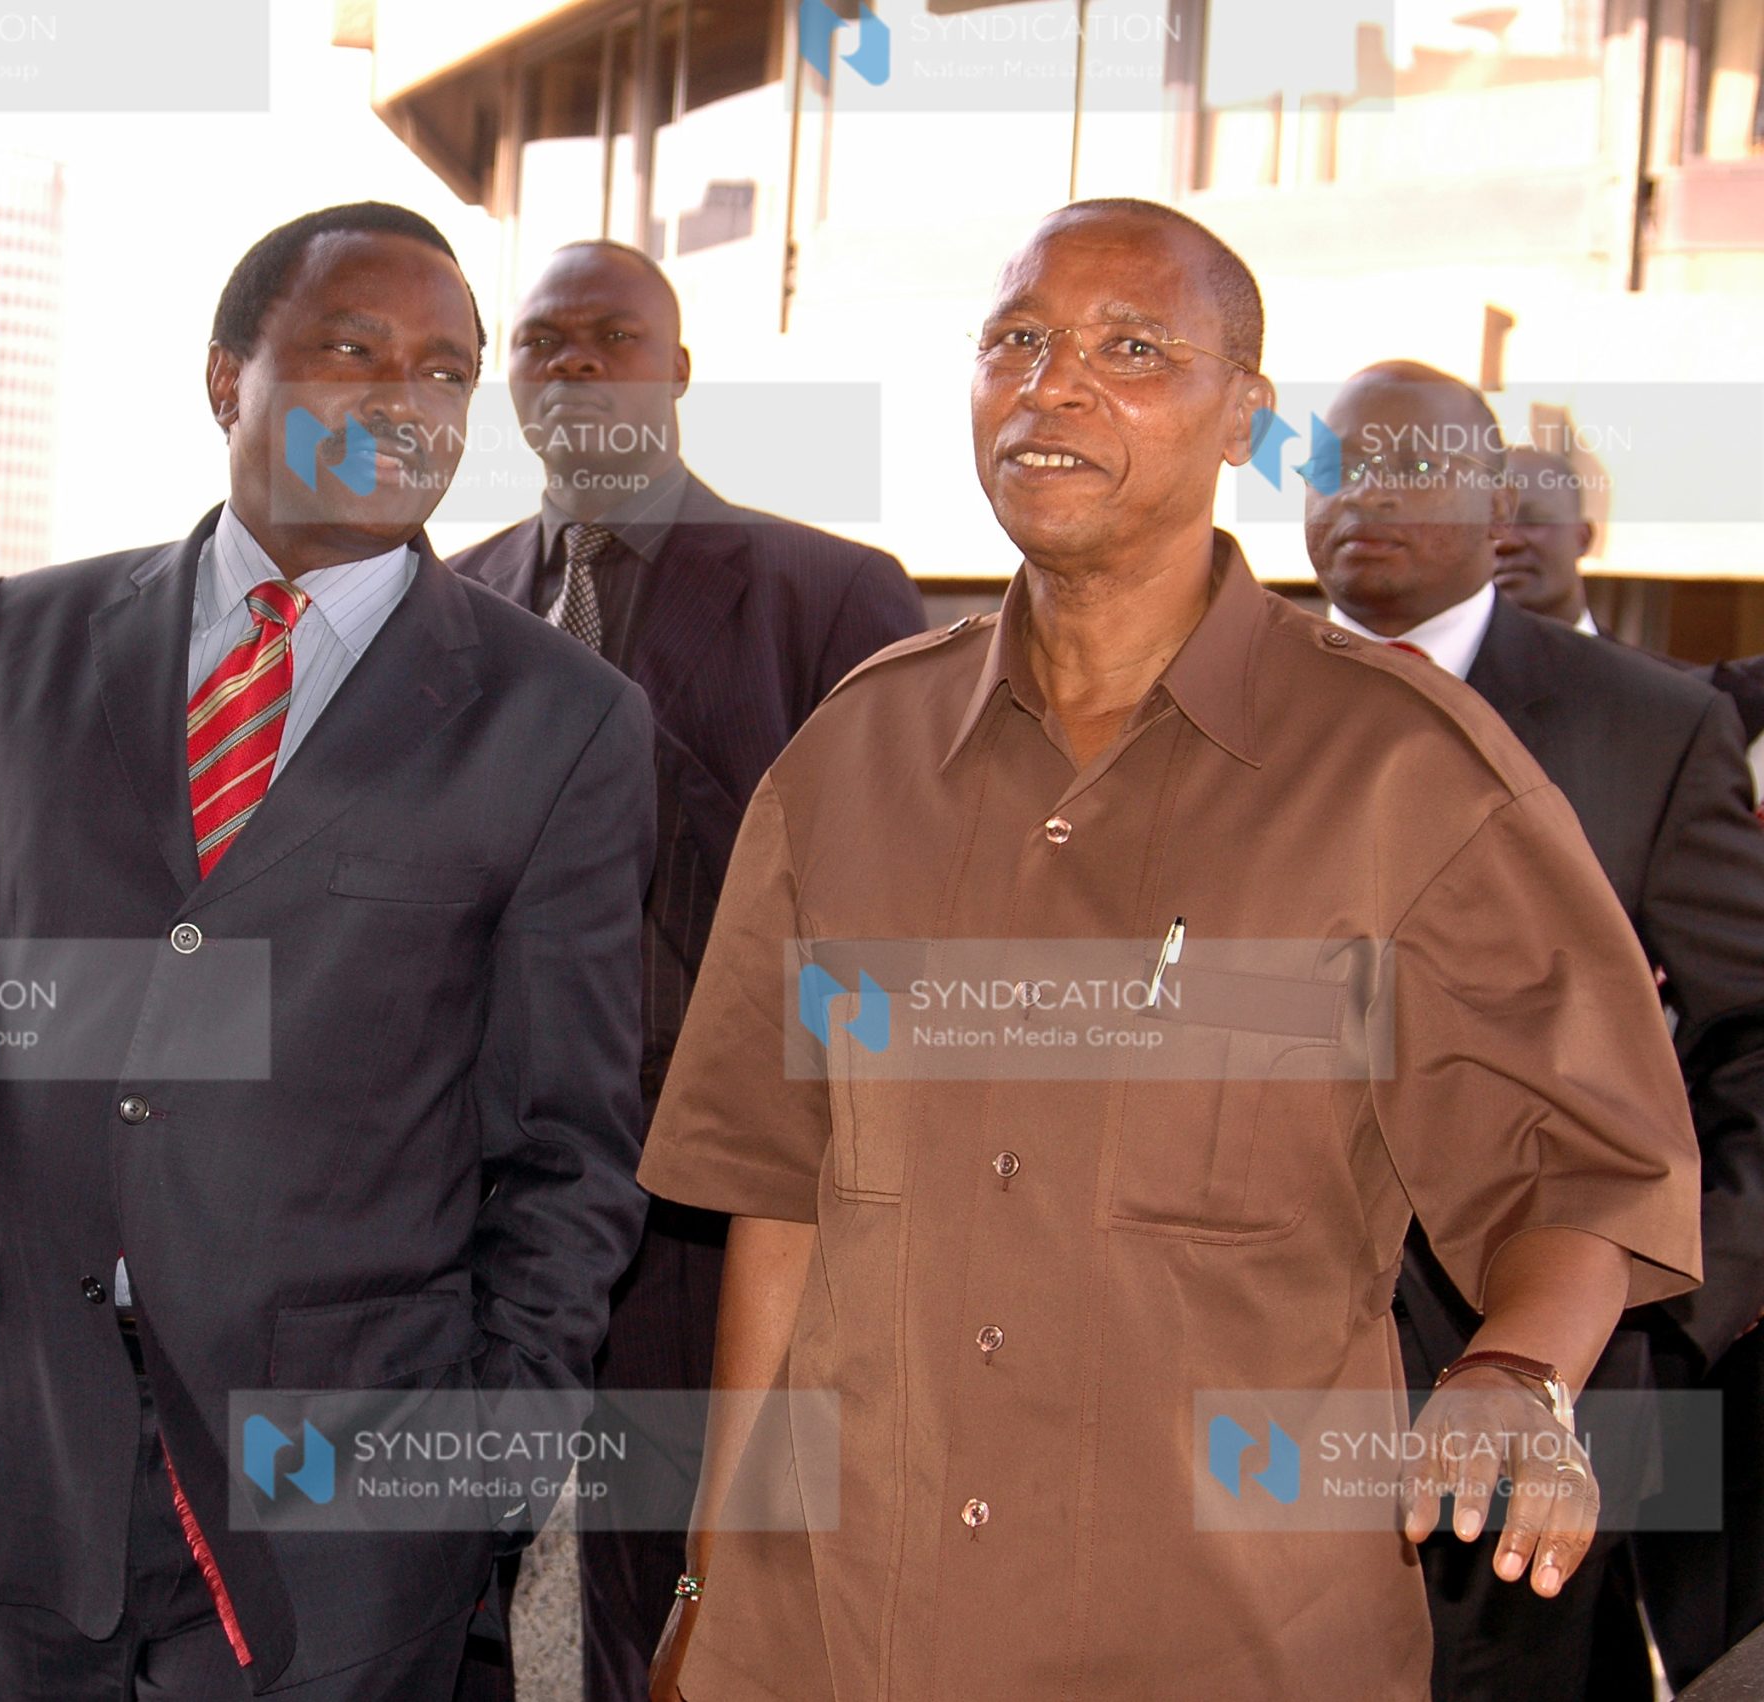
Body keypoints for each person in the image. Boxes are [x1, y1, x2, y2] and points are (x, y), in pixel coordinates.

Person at [637, 198, 1703, 1702]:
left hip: (1231, 1641)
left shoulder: (1403, 774)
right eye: (1017, 340)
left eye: (1130, 348)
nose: (1051, 385)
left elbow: (1578, 1157)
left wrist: (1514, 1374)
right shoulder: (848, 757)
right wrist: (714, 1579)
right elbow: (780, 1206)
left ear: (1246, 418)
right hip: (849, 1635)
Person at [0, 201, 658, 1702]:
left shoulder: (558, 720)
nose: (409, 399)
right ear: (225, 379)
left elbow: (570, 1151)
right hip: (34, 1458)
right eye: (351, 349)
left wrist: (481, 1476)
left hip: (346, 1507)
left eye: (447, 371)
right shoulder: (27, 647)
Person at [447, 239, 925, 1702]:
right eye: (543, 344)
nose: (577, 366)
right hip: (473, 1197)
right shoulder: (441, 602)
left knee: (673, 1607)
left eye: (612, 338)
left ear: (678, 369)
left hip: (710, 1207)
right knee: (439, 1574)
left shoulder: (830, 595)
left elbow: (885, 907)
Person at [1310, 360, 1764, 1697]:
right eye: (1336, 465)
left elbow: (1752, 1026)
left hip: (1535, 1398)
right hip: (1228, 1397)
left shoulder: (1647, 723)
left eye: (1410, 463)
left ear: (1497, 497)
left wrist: (1680, 1300)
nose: (1365, 496)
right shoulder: (1226, 704)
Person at [1492, 445, 1600, 631]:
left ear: (1583, 537)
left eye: (1533, 519)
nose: (1506, 542)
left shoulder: (1635, 661)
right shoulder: (1440, 659)